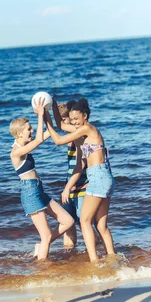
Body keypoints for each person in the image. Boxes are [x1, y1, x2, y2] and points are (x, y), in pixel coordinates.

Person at [45, 98, 115, 263]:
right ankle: (113, 259)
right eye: (72, 119)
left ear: (85, 115)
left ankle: (94, 261)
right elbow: (61, 126)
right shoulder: (86, 130)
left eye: (77, 119)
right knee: (101, 226)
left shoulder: (87, 129)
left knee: (84, 221)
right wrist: (52, 107)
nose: (74, 122)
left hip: (98, 177)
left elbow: (58, 140)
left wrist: (45, 120)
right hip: (105, 177)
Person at [10, 99, 74, 261]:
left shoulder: (24, 146)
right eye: (29, 130)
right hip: (30, 193)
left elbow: (47, 133)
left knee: (68, 221)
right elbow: (38, 139)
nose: (31, 132)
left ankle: (41, 247)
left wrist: (46, 114)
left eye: (31, 129)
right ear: (19, 134)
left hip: (39, 190)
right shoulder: (16, 153)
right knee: (45, 236)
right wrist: (39, 116)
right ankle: (42, 271)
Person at [55, 101, 88, 249]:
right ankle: (69, 257)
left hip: (82, 187)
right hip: (70, 187)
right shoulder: (71, 137)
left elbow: (81, 165)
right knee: (67, 222)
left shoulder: (79, 135)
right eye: (61, 119)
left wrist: (68, 187)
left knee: (84, 223)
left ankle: (98, 251)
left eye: (65, 119)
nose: (63, 123)